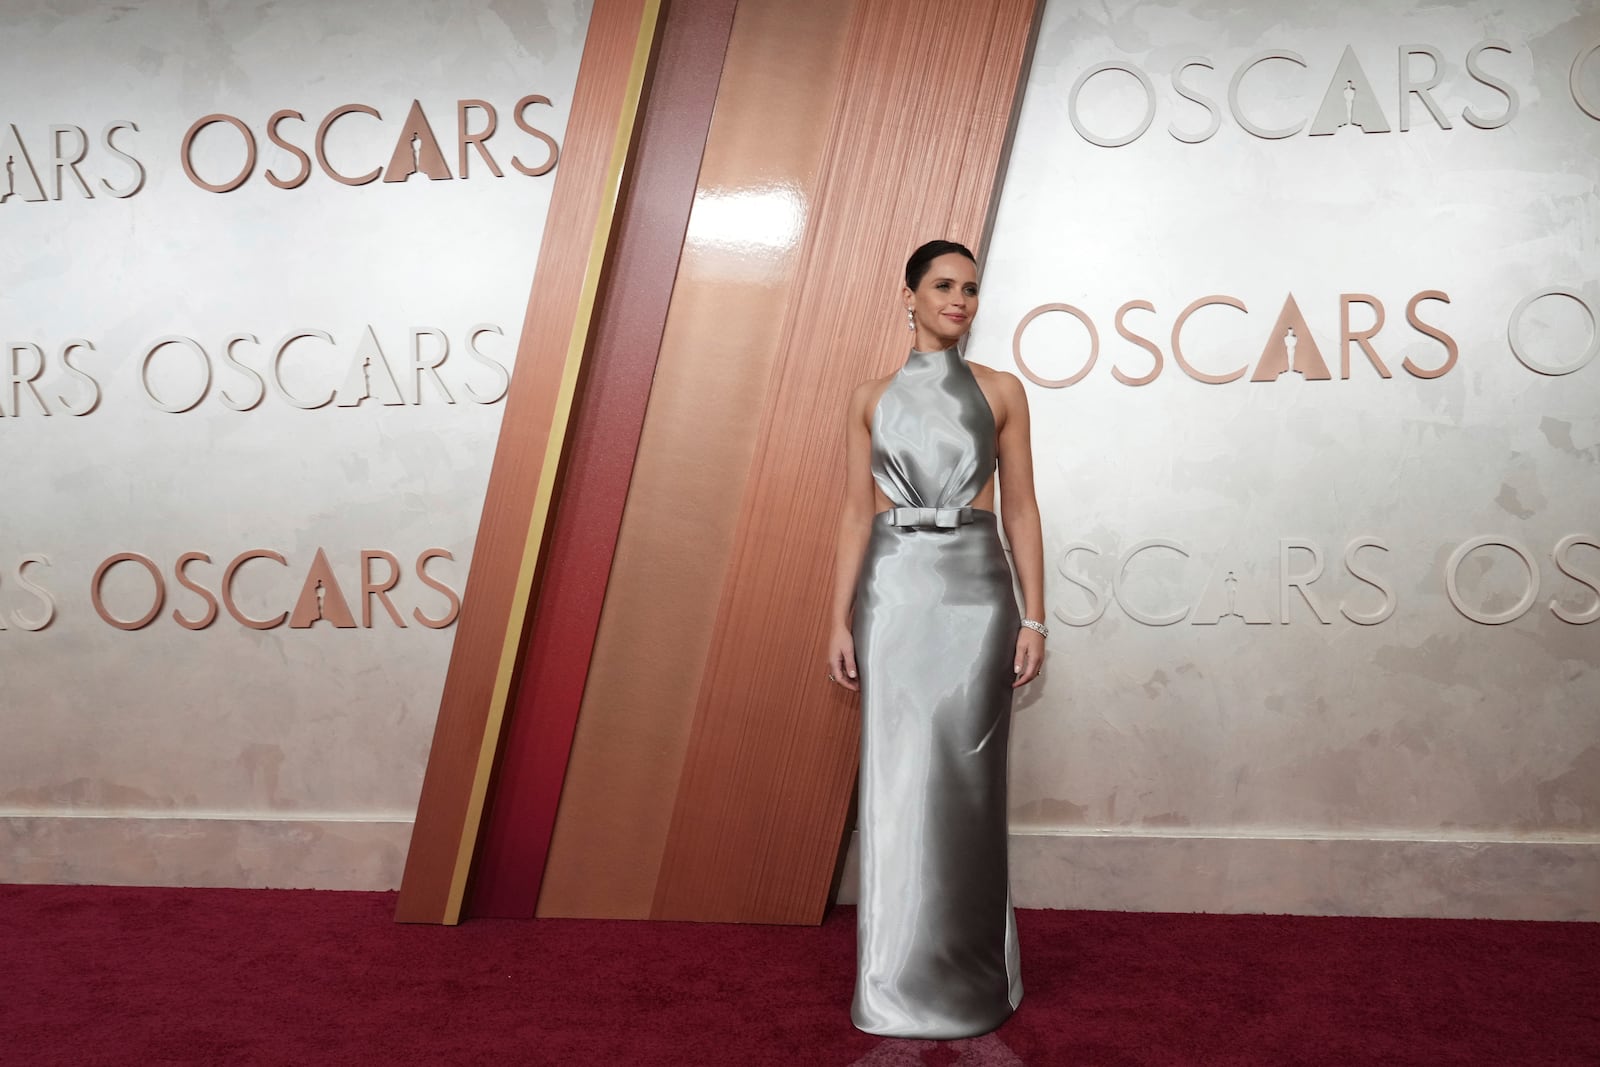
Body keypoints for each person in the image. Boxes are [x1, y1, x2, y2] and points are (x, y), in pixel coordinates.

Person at [827, 239, 1046, 1038]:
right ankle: (893, 982)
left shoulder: (1001, 390)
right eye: (945, 285)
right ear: (910, 294)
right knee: (895, 782)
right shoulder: (868, 397)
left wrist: (1034, 614)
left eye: (972, 289)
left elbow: (1020, 509)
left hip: (976, 593)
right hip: (893, 593)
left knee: (968, 782)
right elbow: (856, 512)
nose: (960, 299)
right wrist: (838, 616)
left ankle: (972, 976)